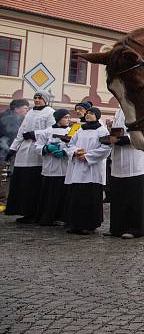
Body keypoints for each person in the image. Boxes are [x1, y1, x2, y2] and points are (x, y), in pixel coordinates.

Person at [5, 92, 55, 223]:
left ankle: (34, 213)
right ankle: (25, 211)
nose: (37, 100)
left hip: (37, 153)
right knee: (23, 183)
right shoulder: (30, 112)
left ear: (46, 100)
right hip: (24, 152)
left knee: (33, 184)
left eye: (40, 98)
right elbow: (21, 131)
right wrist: (12, 148)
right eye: (35, 98)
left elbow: (52, 130)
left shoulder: (50, 112)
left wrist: (35, 134)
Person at [106, 109, 144, 239]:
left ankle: (136, 228)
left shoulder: (139, 108)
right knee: (118, 196)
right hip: (118, 161)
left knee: (134, 197)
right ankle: (117, 227)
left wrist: (122, 140)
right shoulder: (118, 111)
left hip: (134, 160)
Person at [64, 106, 111, 234]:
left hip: (93, 169)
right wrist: (74, 152)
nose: (88, 115)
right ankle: (76, 224)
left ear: (97, 115)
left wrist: (88, 156)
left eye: (91, 113)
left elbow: (106, 148)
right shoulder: (80, 129)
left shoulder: (102, 131)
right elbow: (70, 144)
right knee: (77, 196)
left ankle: (89, 224)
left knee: (89, 197)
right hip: (78, 168)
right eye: (88, 113)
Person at [34, 108, 71, 226]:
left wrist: (65, 151)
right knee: (49, 195)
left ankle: (62, 217)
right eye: (65, 117)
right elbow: (37, 147)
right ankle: (47, 217)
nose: (68, 120)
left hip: (65, 169)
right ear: (58, 119)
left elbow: (75, 145)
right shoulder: (47, 131)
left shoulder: (71, 131)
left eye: (69, 117)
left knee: (63, 195)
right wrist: (47, 148)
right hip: (50, 168)